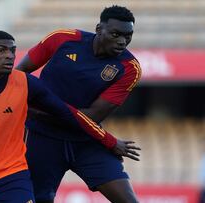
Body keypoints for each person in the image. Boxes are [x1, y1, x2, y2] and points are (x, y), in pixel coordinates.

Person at [0, 30, 139, 203]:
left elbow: (71, 114)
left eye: (12, 50)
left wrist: (109, 141)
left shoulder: (26, 84)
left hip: (10, 175)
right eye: (2, 50)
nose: (10, 56)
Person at [16, 5, 142, 203]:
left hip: (86, 140)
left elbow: (92, 117)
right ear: (99, 28)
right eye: (116, 34)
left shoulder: (129, 68)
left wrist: (35, 112)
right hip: (42, 139)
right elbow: (19, 74)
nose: (122, 41)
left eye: (128, 36)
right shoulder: (63, 38)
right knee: (38, 199)